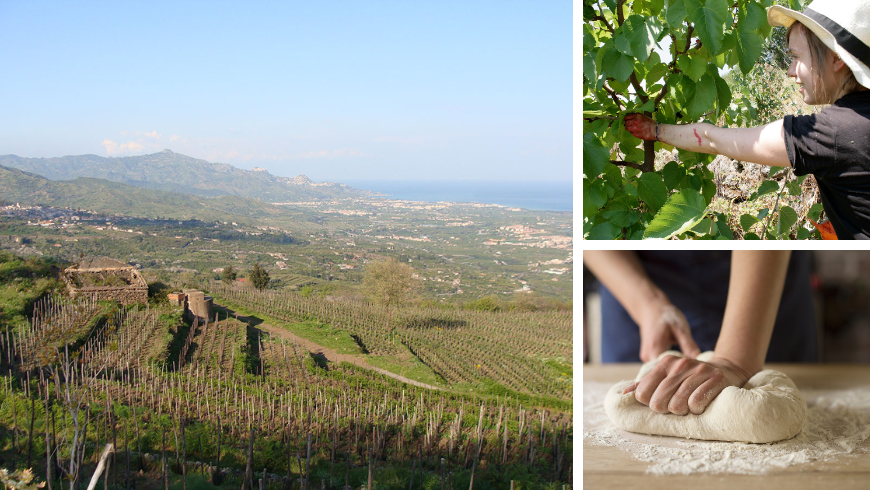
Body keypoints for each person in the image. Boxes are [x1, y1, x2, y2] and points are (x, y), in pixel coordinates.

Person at [624, 0, 870, 239]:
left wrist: (654, 130)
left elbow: (712, 140)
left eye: (796, 57)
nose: (790, 70)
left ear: (837, 58)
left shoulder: (829, 134)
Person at [583, 250, 818, 416]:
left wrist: (736, 362)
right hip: (631, 275)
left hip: (758, 279)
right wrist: (647, 304)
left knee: (774, 409)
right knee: (638, 398)